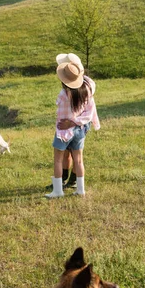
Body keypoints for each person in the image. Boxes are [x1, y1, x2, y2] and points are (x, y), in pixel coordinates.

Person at [45, 53, 100, 198]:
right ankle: (80, 189)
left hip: (64, 131)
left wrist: (68, 122)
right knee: (79, 159)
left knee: (58, 159)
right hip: (80, 129)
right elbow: (89, 111)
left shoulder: (63, 94)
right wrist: (76, 121)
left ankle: (58, 191)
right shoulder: (87, 89)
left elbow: (61, 113)